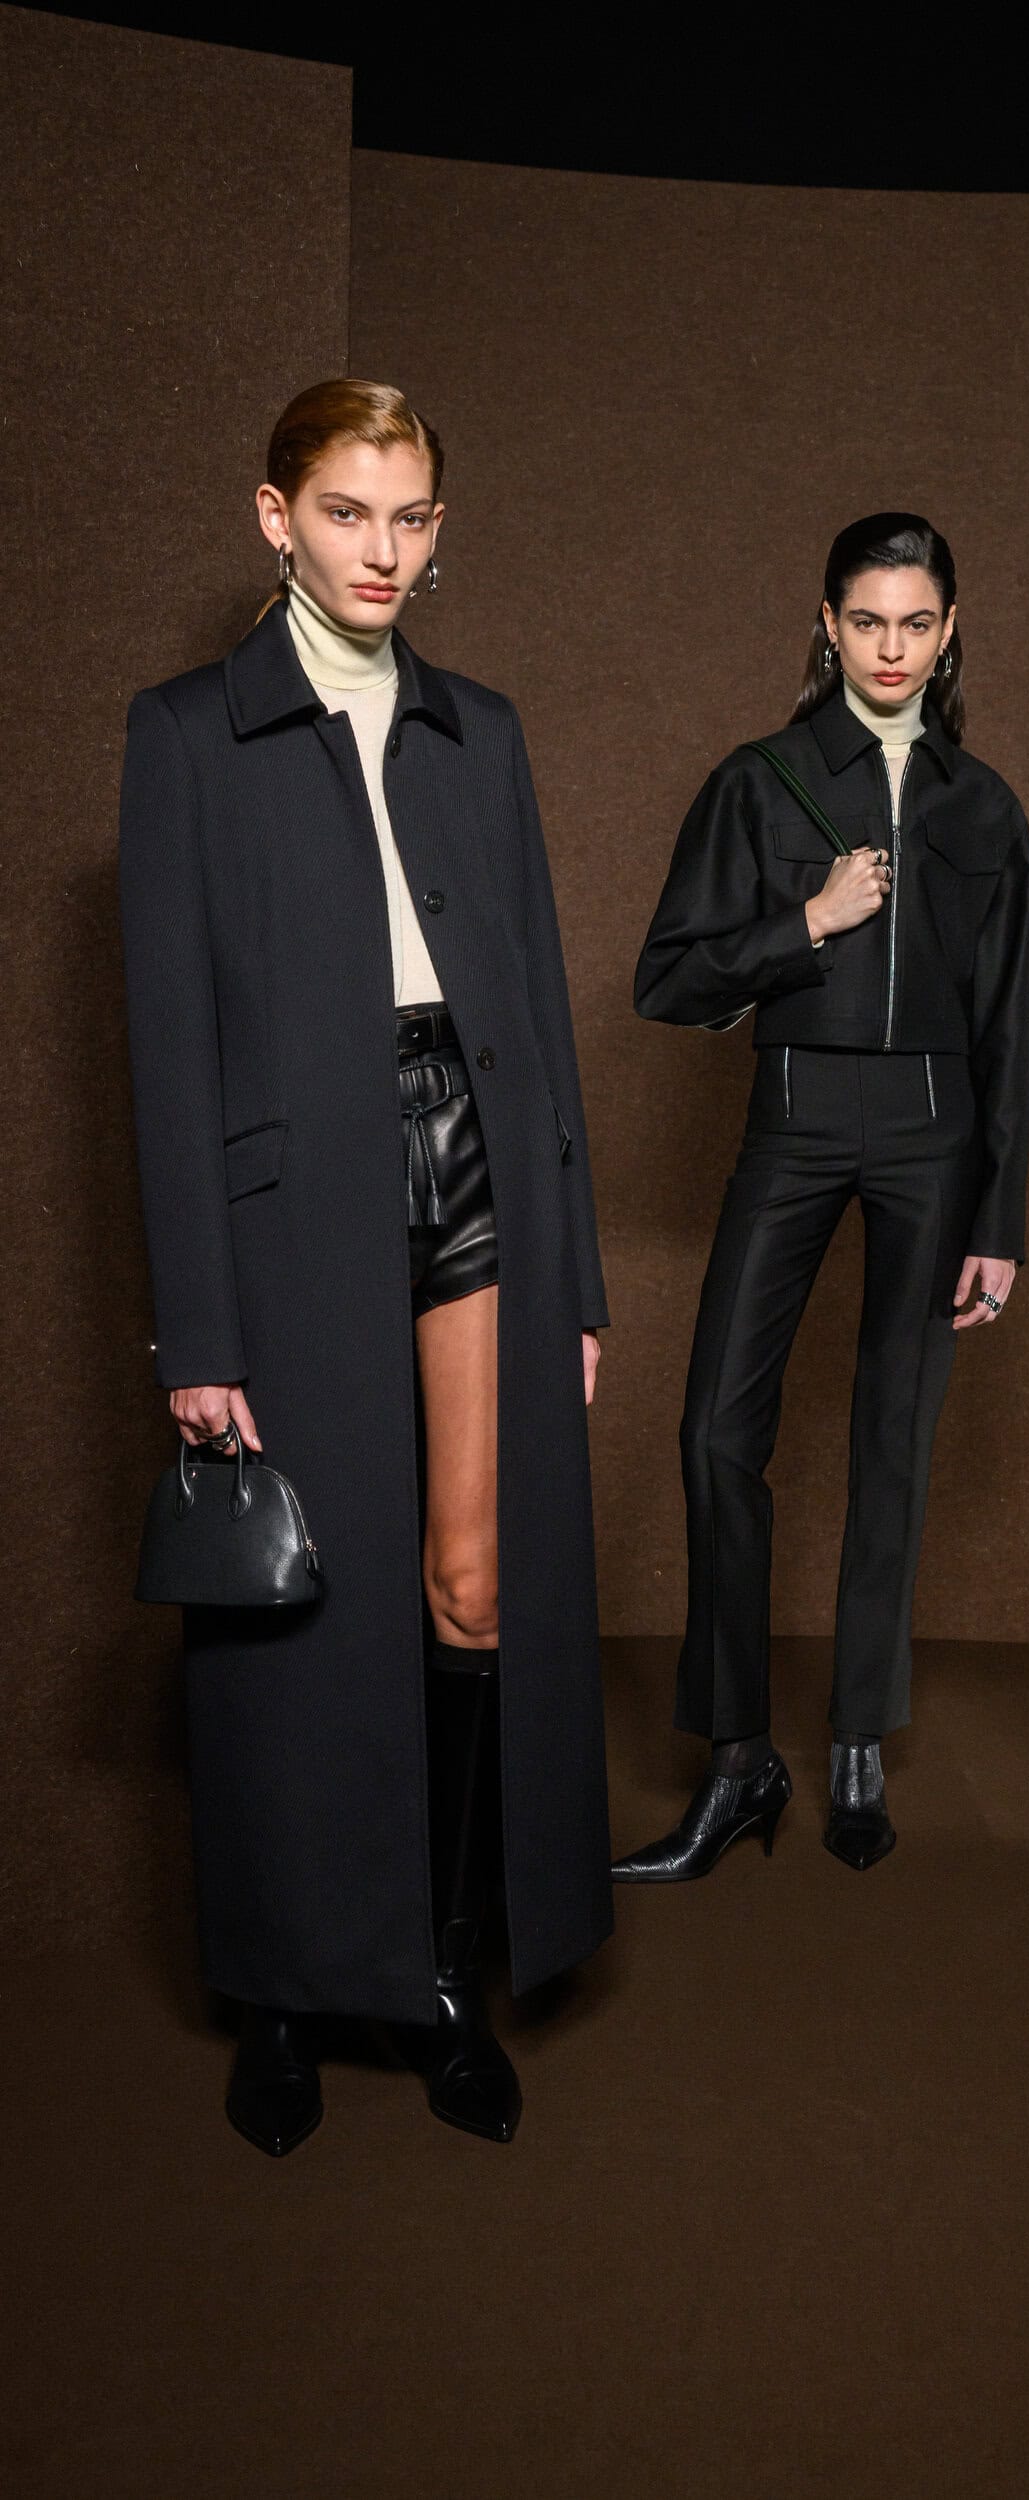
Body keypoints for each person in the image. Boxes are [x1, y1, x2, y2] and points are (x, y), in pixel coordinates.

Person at [120, 379, 610, 2154]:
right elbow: (168, 1048)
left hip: (479, 1164)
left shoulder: (484, 728)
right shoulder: (188, 733)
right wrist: (199, 1324)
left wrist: (577, 1279)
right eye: (346, 514)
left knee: (472, 1586)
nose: (382, 552)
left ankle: (445, 1972)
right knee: (295, 1612)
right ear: (277, 519)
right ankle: (281, 1993)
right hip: (291, 1206)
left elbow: (539, 1009)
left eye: (410, 519)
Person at [613, 514, 1029, 1880]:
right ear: (828, 625)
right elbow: (668, 979)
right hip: (793, 1123)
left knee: (894, 1437)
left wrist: (999, 1221)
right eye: (866, 621)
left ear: (949, 630)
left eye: (916, 623)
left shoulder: (986, 808)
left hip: (935, 1137)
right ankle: (739, 1755)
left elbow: (1009, 1026)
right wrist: (808, 922)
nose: (891, 649)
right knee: (715, 1430)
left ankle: (858, 1735)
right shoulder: (764, 782)